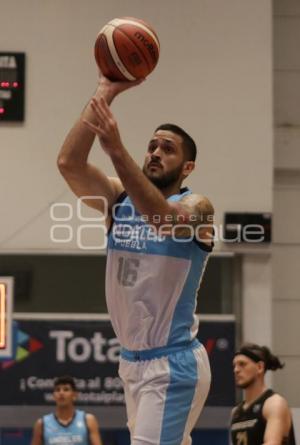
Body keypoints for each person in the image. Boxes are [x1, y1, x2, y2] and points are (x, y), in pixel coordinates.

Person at [57, 75, 214, 445]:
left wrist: (115, 149)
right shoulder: (117, 198)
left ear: (187, 167)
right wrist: (105, 92)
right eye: (152, 146)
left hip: (173, 363)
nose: (155, 153)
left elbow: (161, 219)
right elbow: (69, 163)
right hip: (132, 362)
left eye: (168, 149)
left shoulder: (198, 207)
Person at [231, 343, 296, 445]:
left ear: (260, 367)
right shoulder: (235, 412)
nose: (236, 370)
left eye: (242, 364)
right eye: (234, 366)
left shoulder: (274, 403)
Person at [31, 375, 103, 445]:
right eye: (57, 390)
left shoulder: (88, 420)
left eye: (66, 389)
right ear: (53, 396)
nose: (61, 393)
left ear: (74, 395)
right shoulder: (42, 424)